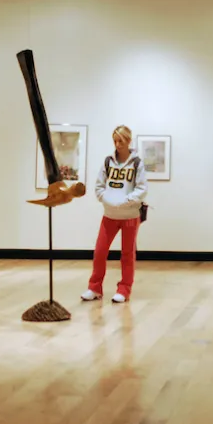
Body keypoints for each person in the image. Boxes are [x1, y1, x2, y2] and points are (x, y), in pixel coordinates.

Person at [81, 125, 148, 304]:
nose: (118, 144)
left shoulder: (137, 163)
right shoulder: (108, 162)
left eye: (121, 140)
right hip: (109, 215)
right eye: (115, 141)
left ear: (129, 141)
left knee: (127, 254)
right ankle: (95, 288)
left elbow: (142, 189)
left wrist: (125, 201)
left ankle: (124, 289)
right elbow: (99, 187)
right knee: (100, 251)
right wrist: (108, 200)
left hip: (130, 216)